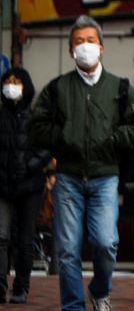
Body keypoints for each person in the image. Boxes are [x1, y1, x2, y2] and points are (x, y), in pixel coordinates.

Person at [28, 15, 134, 311]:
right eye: (79, 42)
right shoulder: (57, 88)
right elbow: (36, 127)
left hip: (105, 177)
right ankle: (73, 306)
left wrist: (112, 137)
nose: (85, 47)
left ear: (102, 47)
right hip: (68, 177)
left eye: (91, 41)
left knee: (106, 244)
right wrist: (64, 136)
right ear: (71, 51)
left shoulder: (120, 88)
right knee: (68, 250)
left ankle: (99, 290)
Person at [0, 67, 51, 305]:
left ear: (26, 86)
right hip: (2, 185)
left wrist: (30, 165)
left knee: (25, 239)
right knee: (1, 237)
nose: (11, 85)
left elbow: (47, 146)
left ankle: (21, 287)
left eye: (16, 81)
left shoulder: (37, 116)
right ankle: (0, 287)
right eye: (7, 81)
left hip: (30, 186)